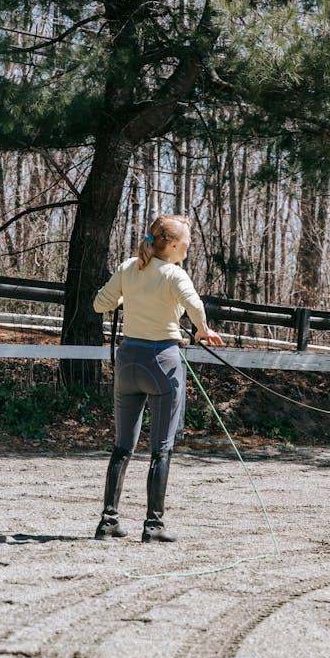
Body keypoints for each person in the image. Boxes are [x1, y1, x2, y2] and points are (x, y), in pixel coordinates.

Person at [91, 214, 223, 542]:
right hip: (162, 362)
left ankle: (108, 522)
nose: (190, 246)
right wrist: (204, 330)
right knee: (161, 448)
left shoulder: (128, 267)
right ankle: (153, 526)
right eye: (187, 241)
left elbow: (99, 304)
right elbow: (194, 306)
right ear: (174, 245)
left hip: (128, 362)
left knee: (122, 446)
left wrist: (127, 298)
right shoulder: (174, 275)